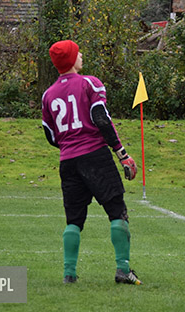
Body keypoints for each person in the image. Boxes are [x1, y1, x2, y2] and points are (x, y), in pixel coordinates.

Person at [41, 40, 142, 285]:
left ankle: (69, 274)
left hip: (68, 161)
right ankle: (123, 270)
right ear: (72, 60)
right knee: (117, 211)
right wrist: (122, 153)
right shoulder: (90, 83)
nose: (81, 55)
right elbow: (101, 119)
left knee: (74, 219)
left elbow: (50, 136)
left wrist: (70, 146)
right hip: (95, 155)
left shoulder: (48, 94)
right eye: (78, 53)